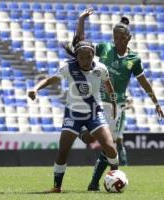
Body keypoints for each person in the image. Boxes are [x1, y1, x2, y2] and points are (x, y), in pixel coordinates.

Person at [75, 8, 164, 191]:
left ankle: (95, 183)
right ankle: (82, 132)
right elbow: (82, 44)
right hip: (99, 102)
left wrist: (156, 102)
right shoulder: (105, 48)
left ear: (129, 38)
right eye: (115, 38)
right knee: (99, 142)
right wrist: (82, 21)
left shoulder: (134, 59)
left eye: (122, 38)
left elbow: (144, 82)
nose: (118, 41)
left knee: (109, 146)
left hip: (117, 107)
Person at [28, 40, 119, 193]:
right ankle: (57, 187)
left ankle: (116, 177)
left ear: (93, 56)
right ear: (76, 57)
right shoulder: (68, 68)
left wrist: (114, 104)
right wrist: (35, 89)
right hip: (73, 113)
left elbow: (108, 84)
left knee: (110, 147)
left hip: (94, 113)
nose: (85, 60)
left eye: (88, 57)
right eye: (81, 57)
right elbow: (50, 79)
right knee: (63, 150)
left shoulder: (101, 68)